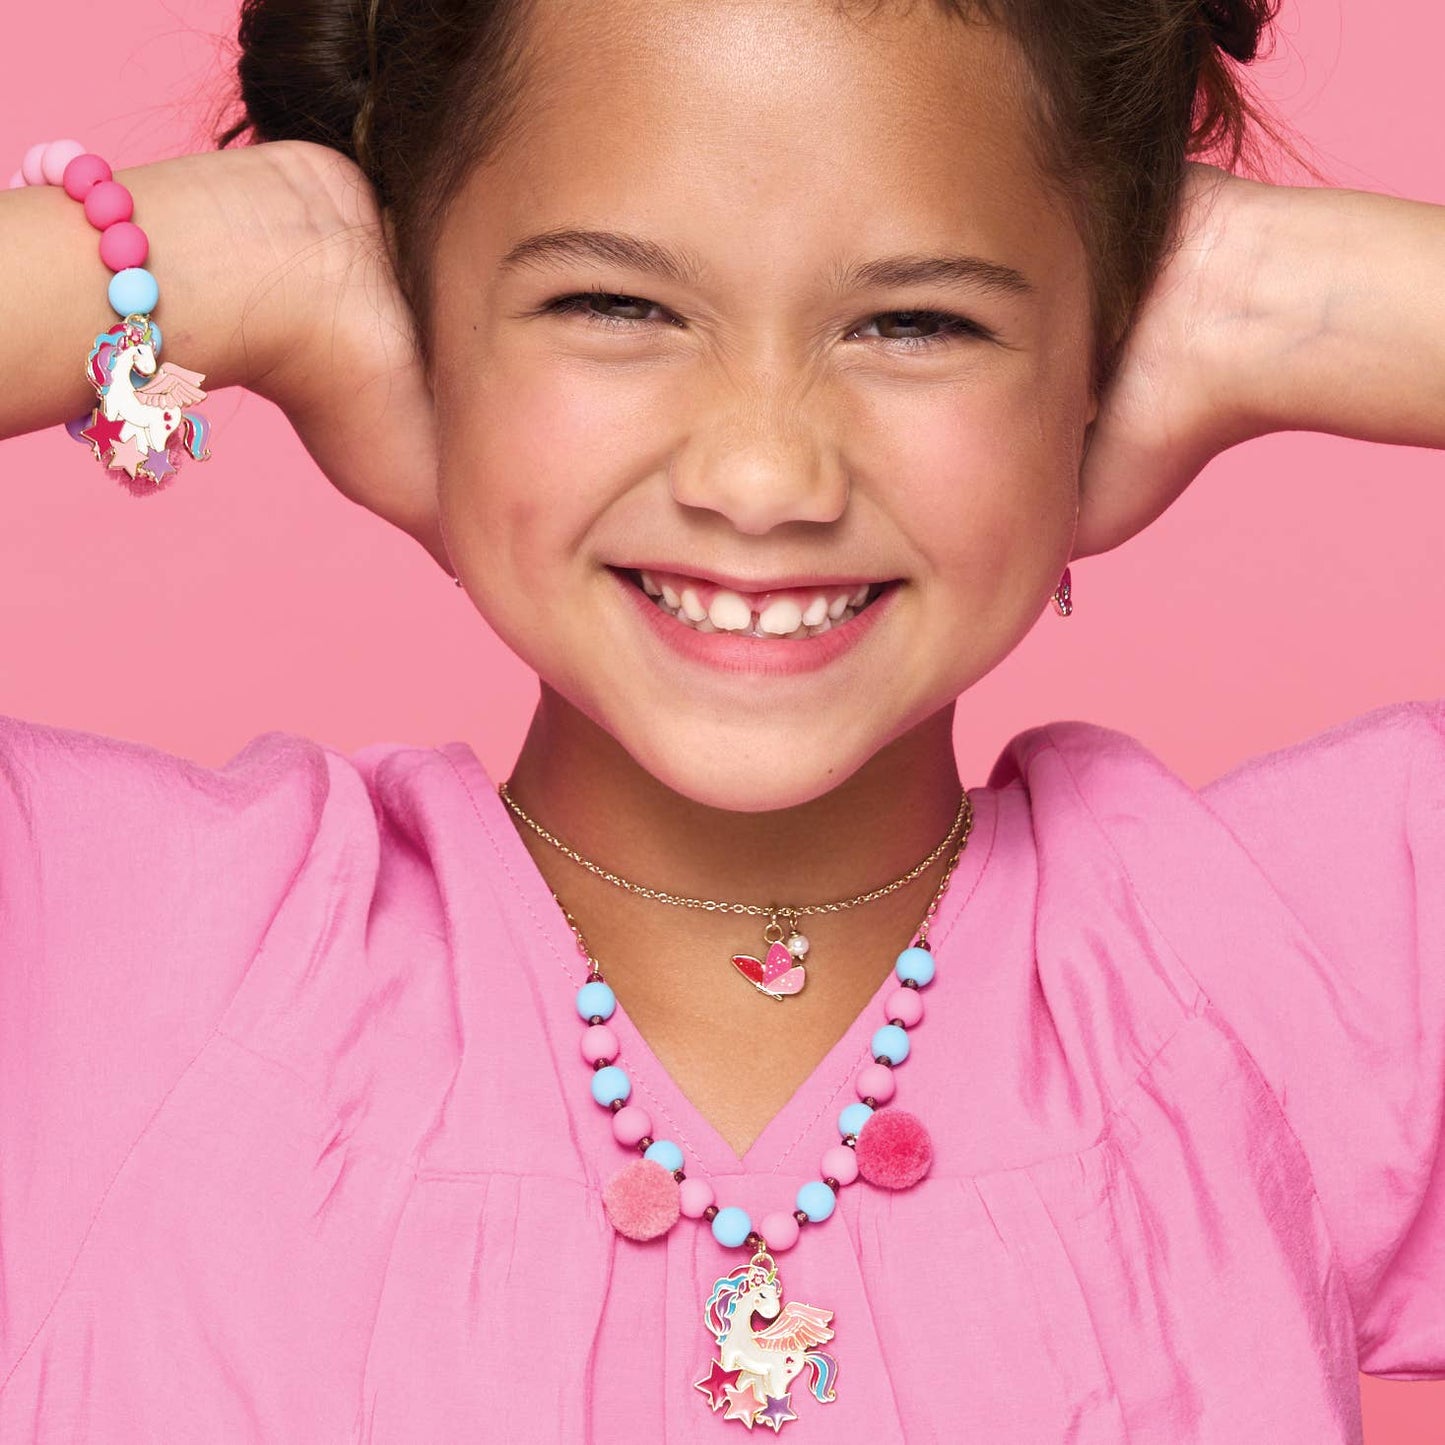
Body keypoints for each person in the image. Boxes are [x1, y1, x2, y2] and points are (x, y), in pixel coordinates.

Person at [0, 0, 1440, 1438]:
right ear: (417, 319)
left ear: (1100, 359)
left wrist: (1278, 290)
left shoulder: (1287, 974)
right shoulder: (120, 956)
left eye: (918, 320)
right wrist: (232, 258)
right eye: (612, 306)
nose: (763, 477)